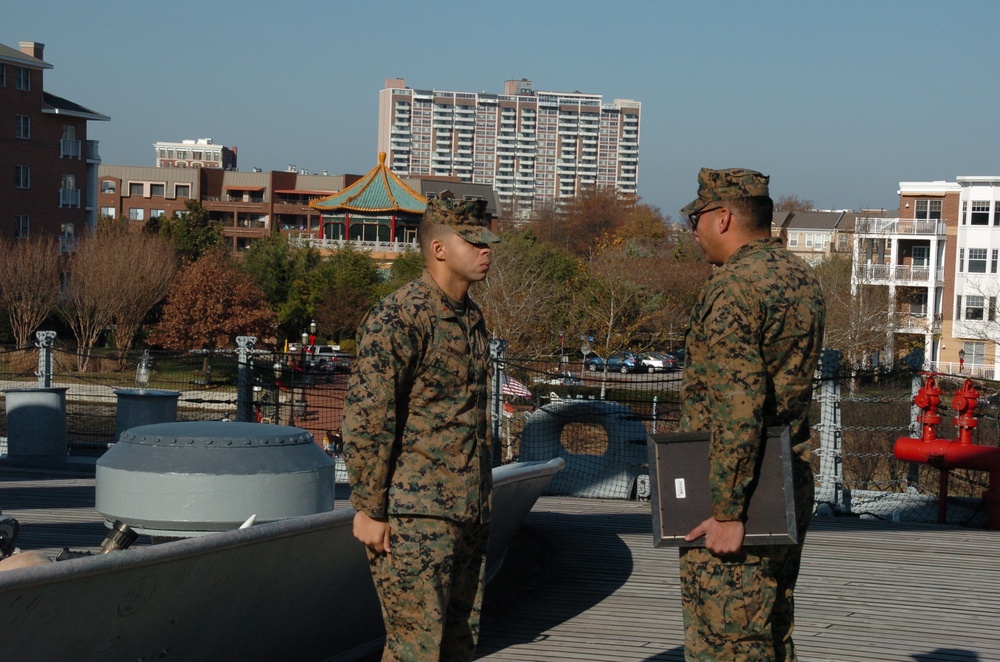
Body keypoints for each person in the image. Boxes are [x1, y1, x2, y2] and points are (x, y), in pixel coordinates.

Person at [677, 168, 825, 661]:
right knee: (774, 625)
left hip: (737, 493)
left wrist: (727, 511)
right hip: (787, 480)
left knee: (728, 640)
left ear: (722, 218)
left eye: (695, 219)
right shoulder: (802, 279)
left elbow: (739, 409)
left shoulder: (732, 289)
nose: (693, 232)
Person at [342, 197, 500, 662]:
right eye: (473, 242)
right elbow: (369, 417)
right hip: (414, 517)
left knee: (458, 643)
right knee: (416, 647)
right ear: (438, 248)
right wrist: (369, 508)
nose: (486, 251)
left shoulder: (471, 317)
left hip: (468, 510)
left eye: (488, 242)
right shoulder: (399, 317)